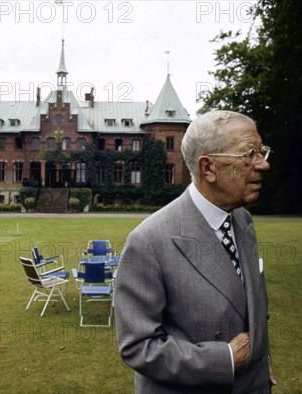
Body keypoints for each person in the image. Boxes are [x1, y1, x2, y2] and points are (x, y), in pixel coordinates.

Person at [115, 110, 276, 393]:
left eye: (262, 152)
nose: (263, 165)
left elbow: (253, 306)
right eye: (249, 154)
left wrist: (262, 360)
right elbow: (138, 345)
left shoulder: (242, 219)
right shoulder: (148, 241)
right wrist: (223, 359)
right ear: (208, 168)